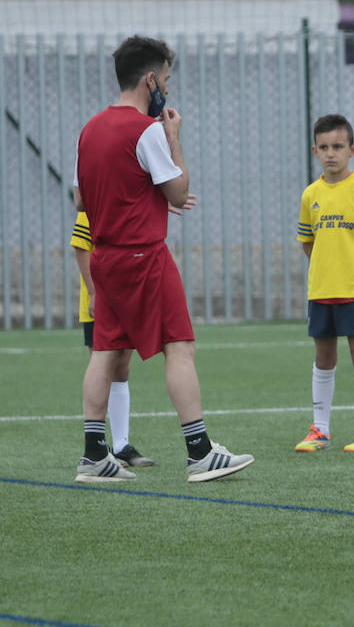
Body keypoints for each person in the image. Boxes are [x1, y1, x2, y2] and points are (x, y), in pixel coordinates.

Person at [72, 35, 253, 483]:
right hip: (144, 255)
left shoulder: (90, 128)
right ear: (150, 79)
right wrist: (173, 138)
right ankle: (200, 452)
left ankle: (94, 456)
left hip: (106, 258)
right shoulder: (147, 129)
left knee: (106, 350)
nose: (167, 90)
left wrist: (140, 199)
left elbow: (83, 196)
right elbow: (178, 190)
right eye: (166, 79)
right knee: (181, 346)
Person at [293, 114, 354, 454]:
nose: (331, 153)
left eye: (338, 146)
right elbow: (308, 241)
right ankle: (320, 430)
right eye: (324, 147)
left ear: (353, 150)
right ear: (314, 151)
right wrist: (326, 267)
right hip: (321, 290)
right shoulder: (311, 195)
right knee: (323, 357)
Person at [71, 209, 152, 467]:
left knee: (122, 367)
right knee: (102, 365)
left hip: (122, 298)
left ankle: (121, 446)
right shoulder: (92, 207)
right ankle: (98, 447)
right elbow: (81, 248)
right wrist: (94, 292)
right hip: (100, 302)